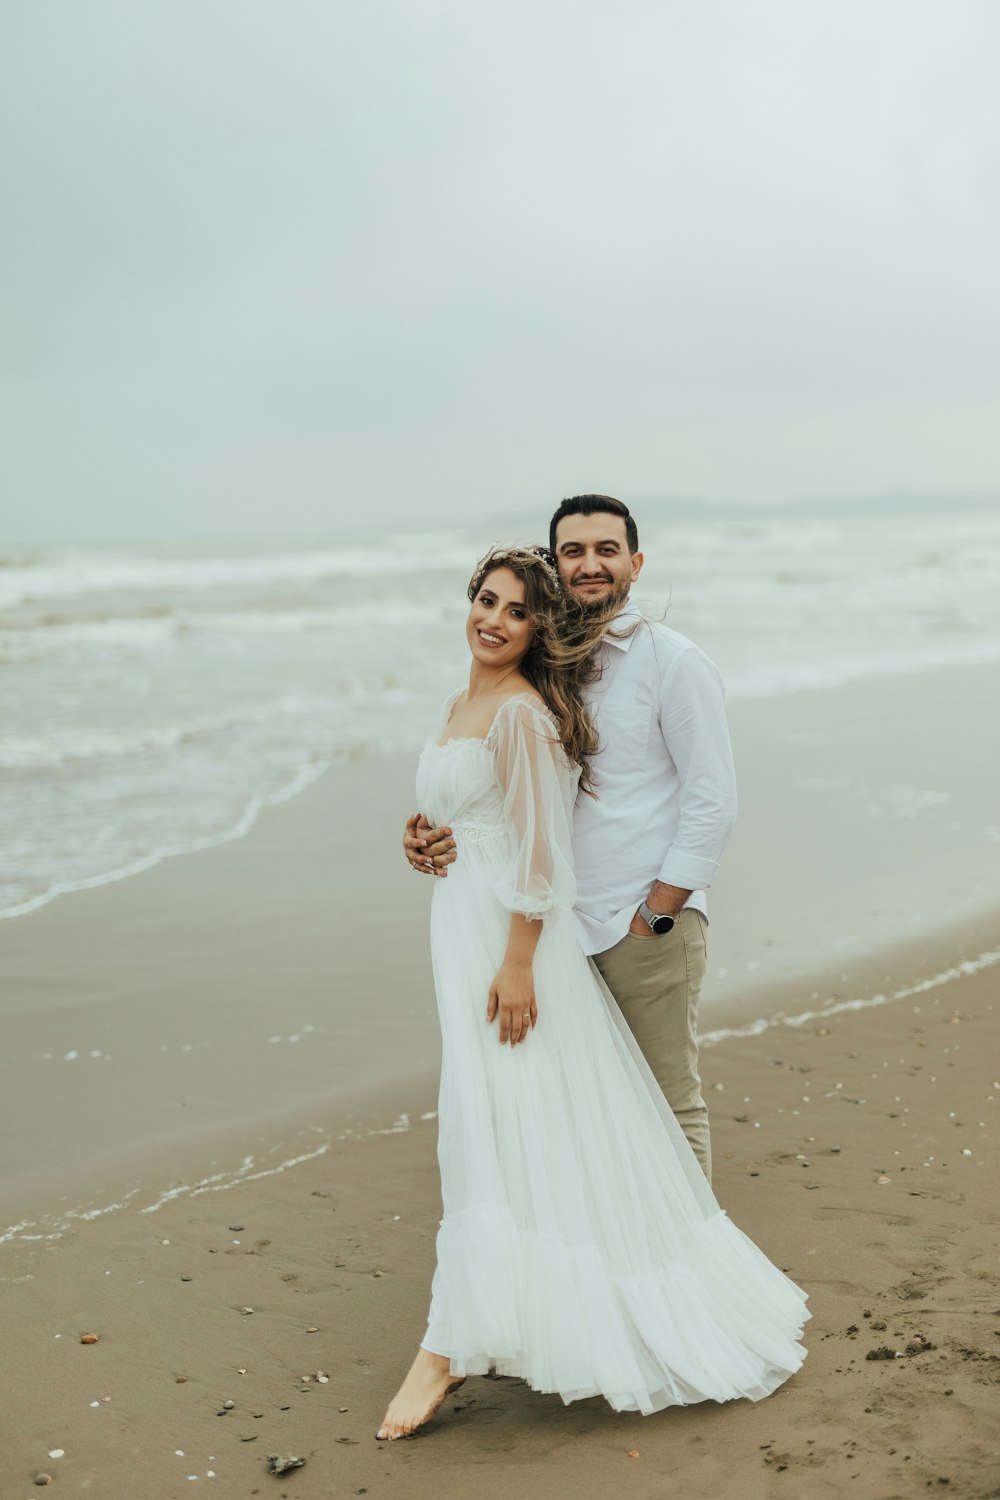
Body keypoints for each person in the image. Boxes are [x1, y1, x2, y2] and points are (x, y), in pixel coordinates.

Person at [376, 545, 807, 1442]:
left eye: (515, 611)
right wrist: (422, 834)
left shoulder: (527, 714)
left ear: (539, 629)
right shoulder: (466, 702)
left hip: (509, 940)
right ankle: (493, 1320)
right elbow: (472, 813)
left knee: (513, 1123)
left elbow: (542, 854)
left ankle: (448, 1344)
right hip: (463, 932)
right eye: (484, 601)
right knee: (499, 1125)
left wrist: (520, 962)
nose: (493, 619)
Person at [405, 496, 736, 1180]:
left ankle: (686, 1267)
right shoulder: (546, 668)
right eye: (573, 551)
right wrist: (438, 833)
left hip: (635, 925)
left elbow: (713, 799)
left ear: (634, 564)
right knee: (588, 1110)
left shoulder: (673, 661)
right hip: (555, 932)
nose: (590, 564)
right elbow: (517, 798)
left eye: (606, 550)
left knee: (667, 1107)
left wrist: (658, 913)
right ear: (557, 566)